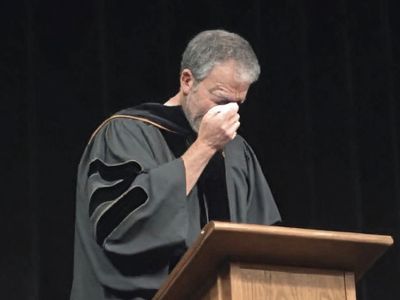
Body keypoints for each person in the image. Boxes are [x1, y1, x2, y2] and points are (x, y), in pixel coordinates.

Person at [70, 29, 281, 300]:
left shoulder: (238, 151)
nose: (229, 113)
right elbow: (122, 228)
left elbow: (264, 246)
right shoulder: (125, 134)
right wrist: (204, 146)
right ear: (187, 81)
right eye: (220, 100)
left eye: (237, 104)